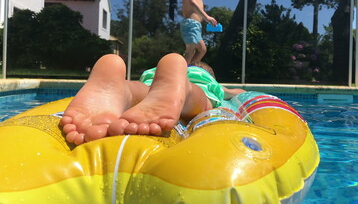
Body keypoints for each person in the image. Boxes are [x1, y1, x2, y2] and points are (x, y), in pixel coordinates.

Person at [60, 53, 245, 145]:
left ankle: (122, 89)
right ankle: (186, 91)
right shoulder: (207, 80)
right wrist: (239, 92)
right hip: (189, 82)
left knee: (144, 92)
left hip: (153, 79)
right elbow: (232, 92)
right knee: (202, 101)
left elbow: (157, 88)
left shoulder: (159, 76)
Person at [180, 0, 217, 64]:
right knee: (191, 51)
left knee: (202, 50)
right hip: (190, 24)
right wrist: (207, 17)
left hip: (195, 25)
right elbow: (192, 3)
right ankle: (181, 73)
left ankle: (189, 69)